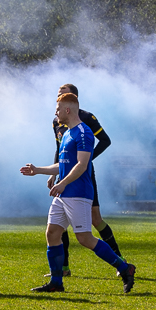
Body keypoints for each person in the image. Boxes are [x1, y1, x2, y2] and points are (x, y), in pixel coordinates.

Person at [21, 91, 136, 293]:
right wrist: (38, 170)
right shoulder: (66, 134)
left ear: (67, 110)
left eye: (58, 109)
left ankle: (124, 268)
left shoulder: (84, 133)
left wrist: (63, 183)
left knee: (85, 238)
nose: (55, 113)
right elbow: (62, 166)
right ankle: (56, 282)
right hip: (63, 194)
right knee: (52, 233)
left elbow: (82, 165)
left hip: (78, 193)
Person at [48, 83, 121, 276]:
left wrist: (86, 160)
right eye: (58, 95)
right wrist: (53, 173)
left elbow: (105, 140)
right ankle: (62, 269)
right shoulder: (57, 122)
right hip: (65, 173)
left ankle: (121, 262)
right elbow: (60, 150)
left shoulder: (87, 119)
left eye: (62, 96)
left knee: (95, 220)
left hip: (82, 174)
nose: (58, 101)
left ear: (71, 102)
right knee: (57, 225)